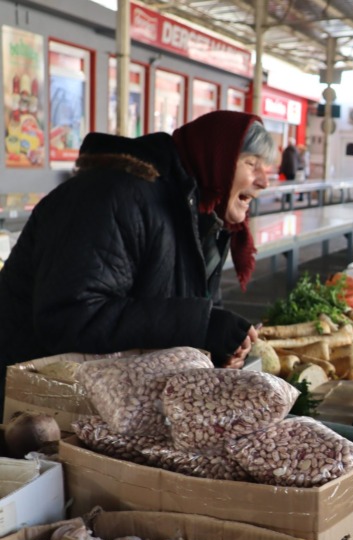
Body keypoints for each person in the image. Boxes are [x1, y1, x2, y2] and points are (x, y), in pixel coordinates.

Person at [0, 111, 271, 398]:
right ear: (217, 159)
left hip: (103, 401)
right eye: (251, 164)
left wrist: (216, 344)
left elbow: (182, 308)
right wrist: (199, 325)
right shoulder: (112, 197)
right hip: (28, 405)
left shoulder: (198, 214)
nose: (264, 181)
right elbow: (69, 316)